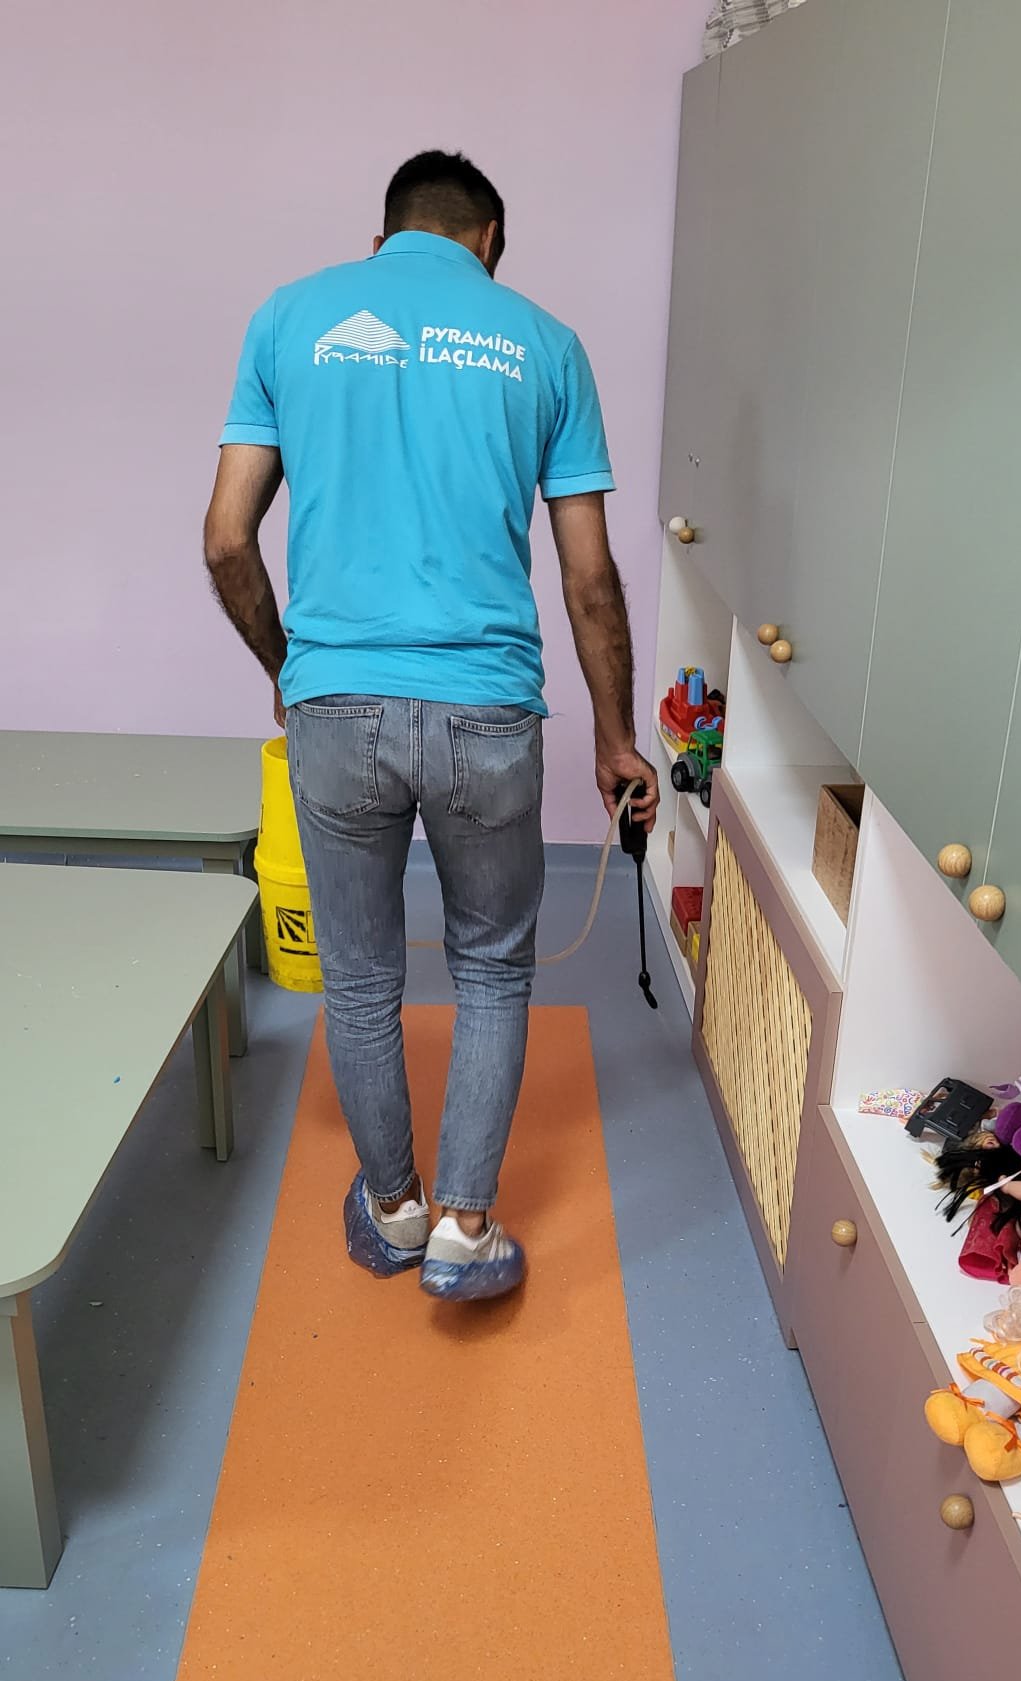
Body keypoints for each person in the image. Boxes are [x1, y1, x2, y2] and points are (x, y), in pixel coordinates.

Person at [203, 149, 659, 1302]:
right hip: (487, 709)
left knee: (359, 978)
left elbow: (225, 537)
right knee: (493, 970)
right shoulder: (544, 343)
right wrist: (615, 736)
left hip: (335, 706)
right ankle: (465, 1229)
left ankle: (393, 1208)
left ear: (385, 236)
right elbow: (590, 578)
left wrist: (289, 670)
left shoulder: (289, 318)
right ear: (488, 240)